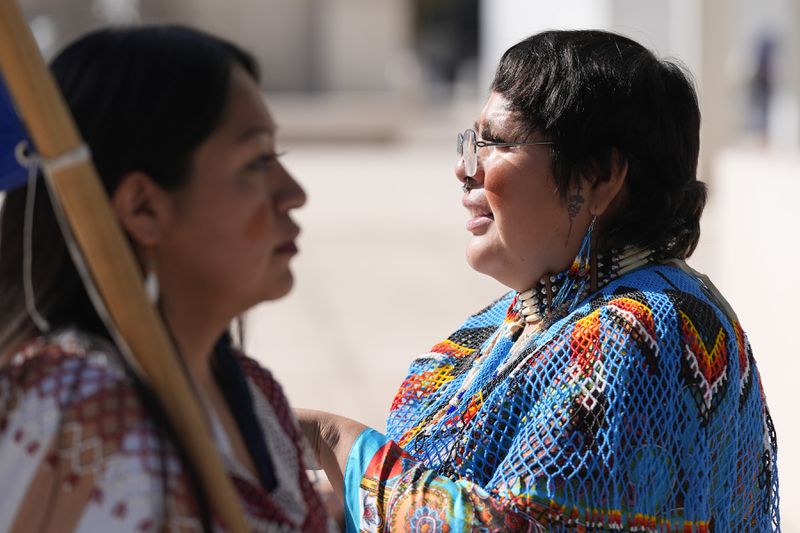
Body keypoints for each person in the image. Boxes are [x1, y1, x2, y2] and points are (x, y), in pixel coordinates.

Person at [299, 30, 781, 532]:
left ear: (598, 177)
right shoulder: (538, 314)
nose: (465, 170)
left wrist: (334, 441)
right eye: (471, 142)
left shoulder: (639, 332)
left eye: (498, 143)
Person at [0, 26, 334, 531]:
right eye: (257, 162)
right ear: (143, 206)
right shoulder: (70, 413)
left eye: (277, 157)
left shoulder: (253, 393)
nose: (293, 193)